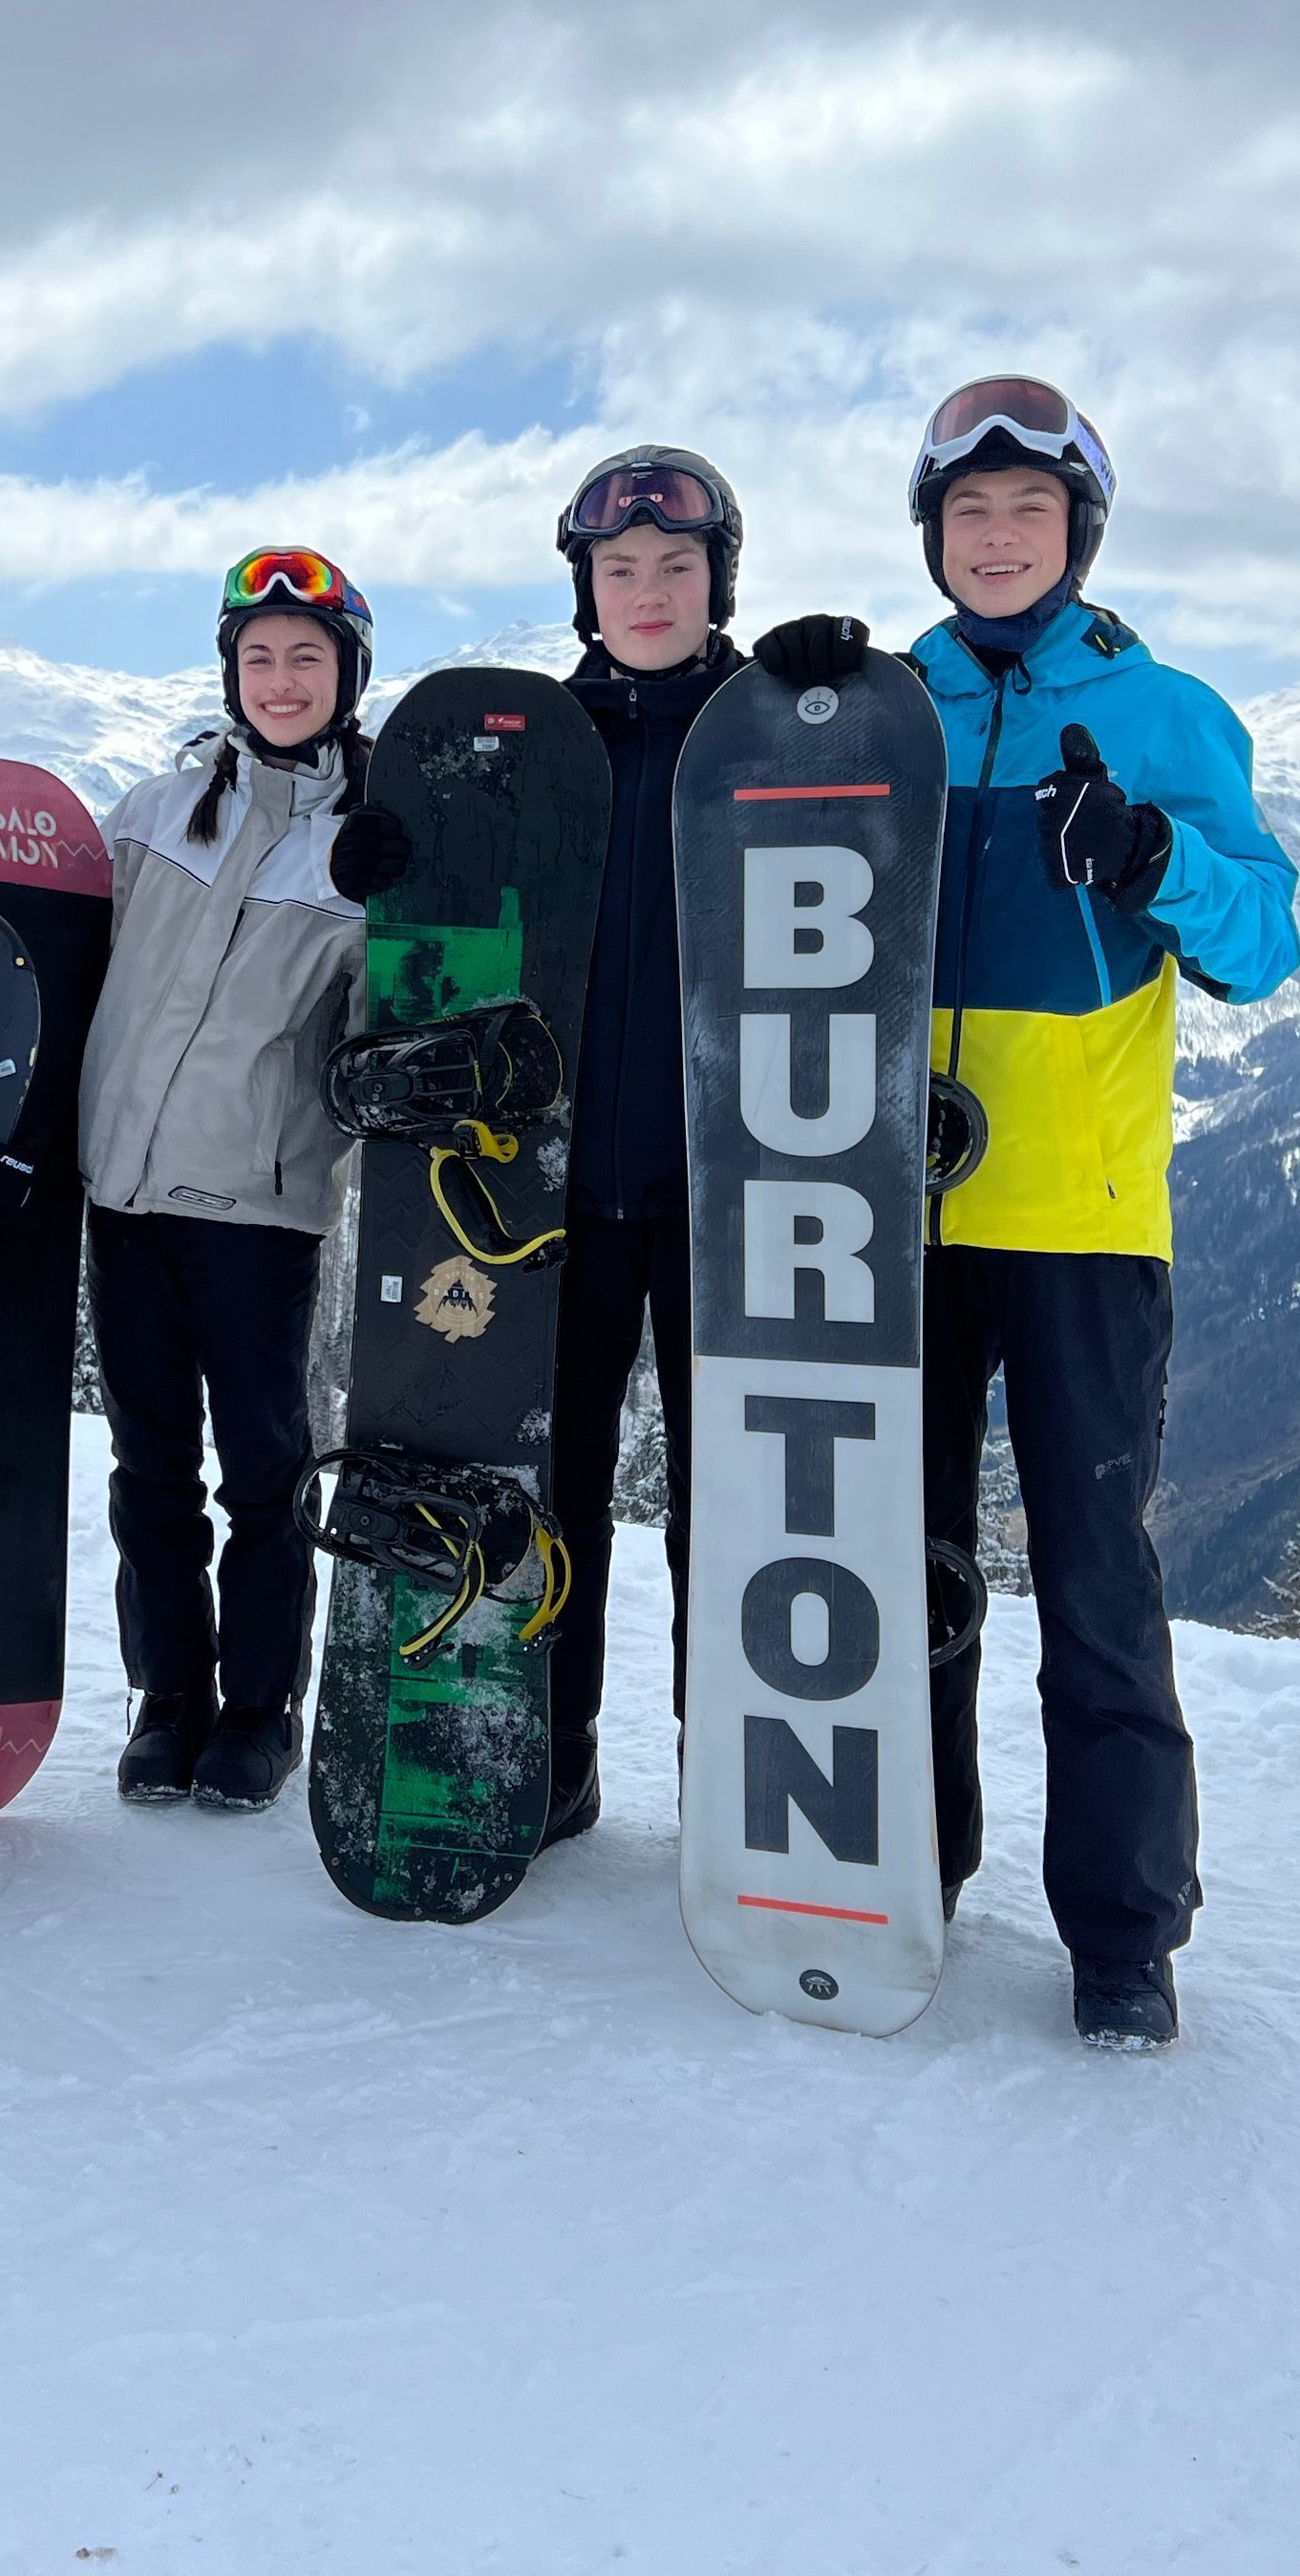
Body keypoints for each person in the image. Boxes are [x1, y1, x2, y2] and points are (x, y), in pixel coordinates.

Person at [752, 378, 1297, 2047]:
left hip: (1078, 1220)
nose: (998, 541)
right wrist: (783, 709)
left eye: (1029, 517)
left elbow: (1262, 946)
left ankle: (1124, 1933)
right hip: (882, 1215)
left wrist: (1145, 855)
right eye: (970, 516)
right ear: (933, 538)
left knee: (1092, 1578)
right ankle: (904, 1866)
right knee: (887, 1569)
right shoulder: (887, 703)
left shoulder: (1165, 714)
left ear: (1078, 536)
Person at [328, 449, 746, 1849]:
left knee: (728, 1509)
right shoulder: (525, 755)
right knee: (546, 1492)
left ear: (717, 582)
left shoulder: (768, 742)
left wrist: (838, 700)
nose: (647, 591)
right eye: (619, 570)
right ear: (584, 588)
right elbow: (439, 951)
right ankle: (541, 1760)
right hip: (541, 1195)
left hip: (724, 1195)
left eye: (675, 568)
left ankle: (738, 1784)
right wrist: (398, 860)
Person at [83, 547, 373, 1813]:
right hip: (123, 1195)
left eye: (307, 656)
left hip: (256, 1212)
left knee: (261, 1469)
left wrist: (413, 897)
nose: (280, 678)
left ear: (348, 674)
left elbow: (377, 1047)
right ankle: (170, 1699)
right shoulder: (152, 814)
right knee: (149, 1465)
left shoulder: (367, 851)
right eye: (259, 656)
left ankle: (259, 1708)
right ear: (229, 673)